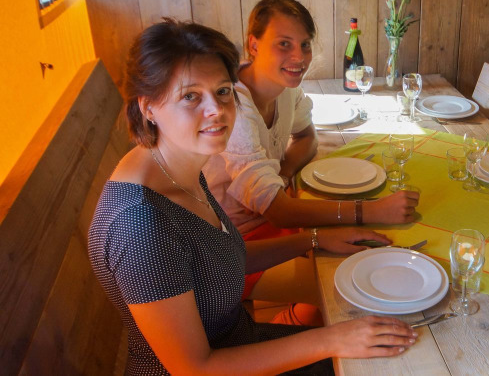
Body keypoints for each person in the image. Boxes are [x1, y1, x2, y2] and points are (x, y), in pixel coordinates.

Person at [88, 19, 417, 375]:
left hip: (239, 341)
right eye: (190, 96)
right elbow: (194, 368)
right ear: (148, 107)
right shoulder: (140, 225)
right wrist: (332, 339)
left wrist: (315, 239)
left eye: (223, 91)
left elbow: (220, 260)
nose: (216, 110)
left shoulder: (177, 166)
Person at [203, 0, 420, 301]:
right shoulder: (235, 107)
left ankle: (299, 321)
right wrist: (374, 210)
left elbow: (307, 138)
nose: (299, 57)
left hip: (273, 228)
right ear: (253, 45)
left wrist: (284, 173)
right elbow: (279, 212)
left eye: (305, 44)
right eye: (284, 44)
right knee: (355, 284)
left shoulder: (284, 87)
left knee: (372, 254)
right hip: (235, 249)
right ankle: (289, 331)